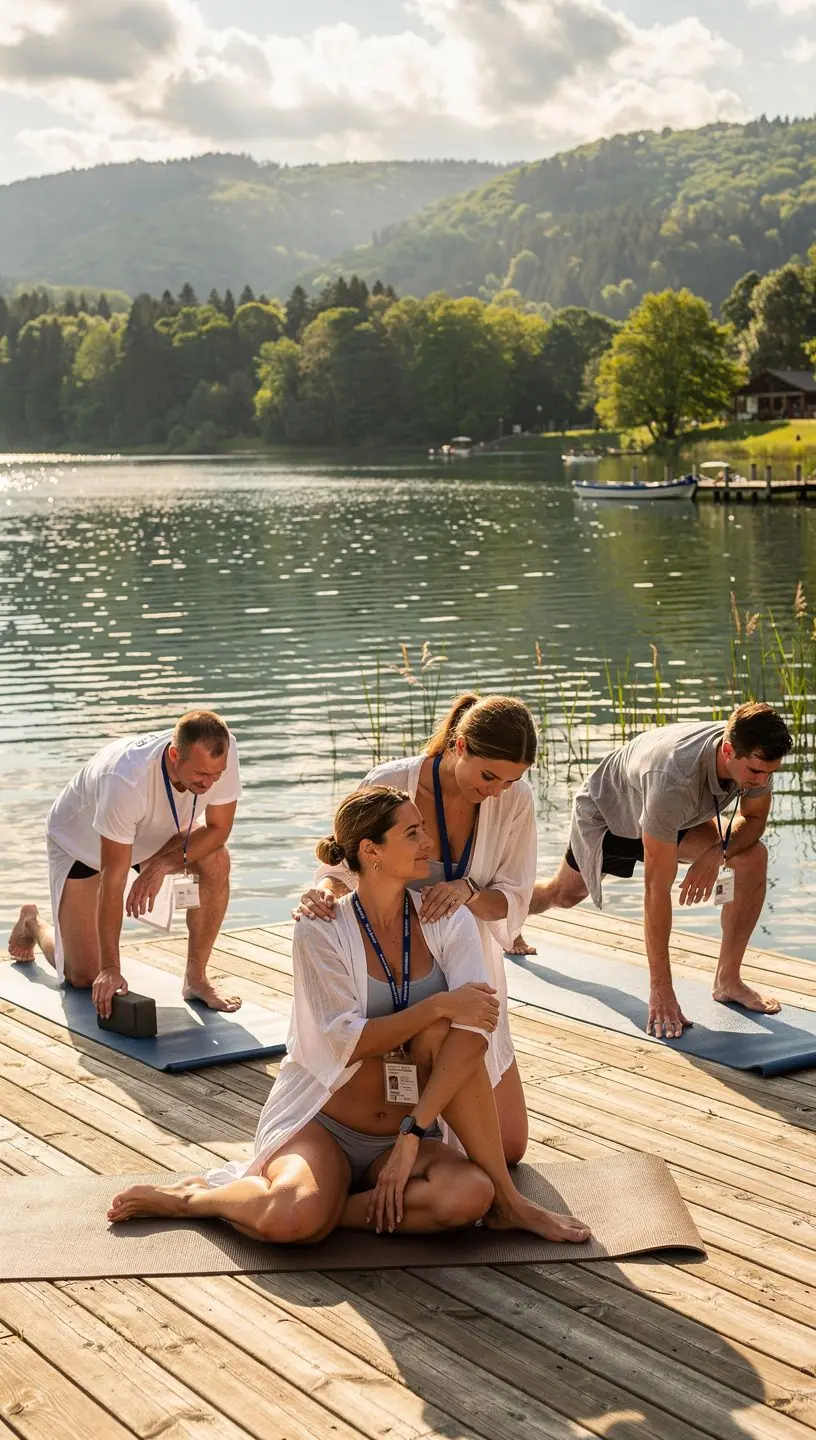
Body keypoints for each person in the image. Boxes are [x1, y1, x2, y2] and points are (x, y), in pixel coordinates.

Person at [108, 787, 590, 1246]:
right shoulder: (321, 929)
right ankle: (198, 1199)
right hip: (326, 1125)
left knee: (469, 1194)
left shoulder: (446, 917)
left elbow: (475, 1024)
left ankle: (498, 1201)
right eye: (412, 834)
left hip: (407, 1129)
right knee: (294, 1217)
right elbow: (347, 1041)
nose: (429, 843)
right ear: (371, 851)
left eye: (424, 829)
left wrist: (413, 1133)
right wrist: (438, 1004)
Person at [295, 693, 538, 1165]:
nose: (496, 791)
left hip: (464, 959)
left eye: (511, 780)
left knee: (508, 1148)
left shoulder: (514, 801)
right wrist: (323, 889)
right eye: (489, 776)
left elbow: (513, 898)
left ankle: (425, 1138)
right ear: (460, 746)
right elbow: (347, 860)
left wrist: (467, 893)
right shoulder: (390, 783)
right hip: (380, 959)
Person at [527, 702, 793, 1040]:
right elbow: (656, 889)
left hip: (674, 817)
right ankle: (507, 909)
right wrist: (661, 991)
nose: (762, 781)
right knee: (562, 895)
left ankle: (728, 979)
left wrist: (716, 853)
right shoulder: (673, 779)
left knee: (751, 856)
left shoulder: (751, 754)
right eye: (756, 772)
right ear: (728, 751)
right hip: (610, 816)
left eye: (770, 772)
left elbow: (754, 820)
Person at [7, 709, 242, 1016]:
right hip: (84, 846)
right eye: (200, 775)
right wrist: (110, 968)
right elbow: (113, 879)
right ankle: (32, 922)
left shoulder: (222, 752)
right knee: (83, 977)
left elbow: (219, 830)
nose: (210, 783)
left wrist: (162, 866)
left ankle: (196, 979)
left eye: (216, 774)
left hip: (155, 835)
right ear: (175, 755)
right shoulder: (126, 779)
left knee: (216, 860)